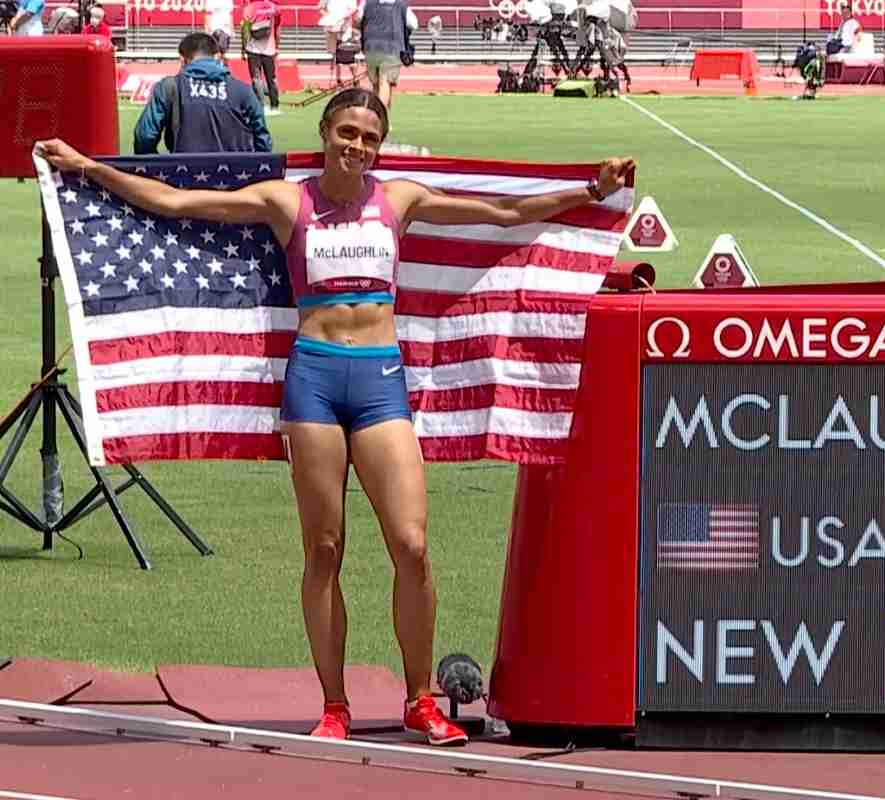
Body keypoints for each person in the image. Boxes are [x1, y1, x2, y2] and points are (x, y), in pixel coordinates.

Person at [36, 88, 635, 747]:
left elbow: (500, 212)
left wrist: (587, 189)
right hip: (315, 380)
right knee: (324, 550)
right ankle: (334, 703)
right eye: (346, 132)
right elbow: (174, 201)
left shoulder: (398, 199)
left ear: (379, 146)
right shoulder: (286, 200)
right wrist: (85, 167)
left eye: (369, 137)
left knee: (410, 544)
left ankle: (419, 699)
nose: (356, 145)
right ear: (325, 134)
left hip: (380, 380)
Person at [133, 32, 272, 154]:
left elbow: (144, 137)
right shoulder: (243, 90)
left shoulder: (168, 87)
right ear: (217, 57)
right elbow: (263, 142)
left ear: (182, 60)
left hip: (184, 178)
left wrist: (158, 169)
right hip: (238, 179)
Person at [360, 0, 412, 110]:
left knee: (376, 84)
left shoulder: (367, 3)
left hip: (370, 47)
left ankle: (378, 118)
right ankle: (380, 117)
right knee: (385, 83)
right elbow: (413, 24)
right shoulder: (401, 4)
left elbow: (358, 19)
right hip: (392, 48)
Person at [243, 0, 283, 115]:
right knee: (271, 78)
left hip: (253, 48)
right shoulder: (274, 7)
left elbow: (245, 30)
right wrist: (277, 46)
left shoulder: (249, 8)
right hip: (269, 48)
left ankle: (261, 106)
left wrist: (244, 47)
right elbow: (278, 28)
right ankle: (275, 106)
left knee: (257, 78)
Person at [319, 0, 361, 87]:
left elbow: (353, 9)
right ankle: (338, 80)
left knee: (349, 57)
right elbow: (321, 8)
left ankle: (355, 79)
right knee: (336, 57)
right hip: (332, 29)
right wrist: (329, 18)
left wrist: (343, 17)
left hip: (345, 31)